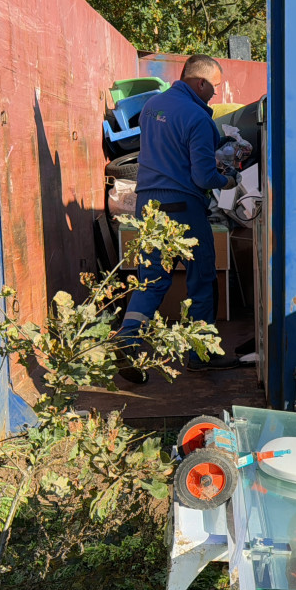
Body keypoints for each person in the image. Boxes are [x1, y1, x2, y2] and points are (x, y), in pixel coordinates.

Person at [115, 54, 240, 382]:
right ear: (200, 82)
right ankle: (200, 355)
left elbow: (169, 148)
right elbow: (201, 176)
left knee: (153, 278)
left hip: (148, 205)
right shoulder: (198, 118)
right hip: (182, 207)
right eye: (213, 87)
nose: (214, 94)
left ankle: (129, 337)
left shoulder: (151, 107)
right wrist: (225, 179)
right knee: (202, 278)